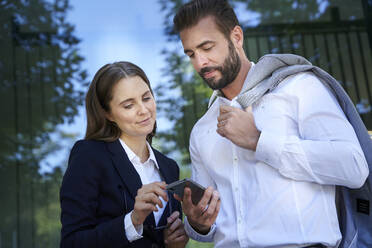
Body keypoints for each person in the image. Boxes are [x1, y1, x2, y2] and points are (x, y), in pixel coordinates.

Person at [172, 0, 370, 247]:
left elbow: (353, 166)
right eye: (191, 54)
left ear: (236, 37)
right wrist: (200, 222)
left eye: (207, 47)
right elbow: (210, 226)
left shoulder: (299, 88)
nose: (200, 62)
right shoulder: (202, 131)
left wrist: (259, 140)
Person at [60, 61, 189, 248]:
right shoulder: (90, 156)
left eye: (146, 98)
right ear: (108, 114)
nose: (143, 110)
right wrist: (133, 220)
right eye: (128, 105)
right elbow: (71, 243)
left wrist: (172, 244)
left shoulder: (169, 166)